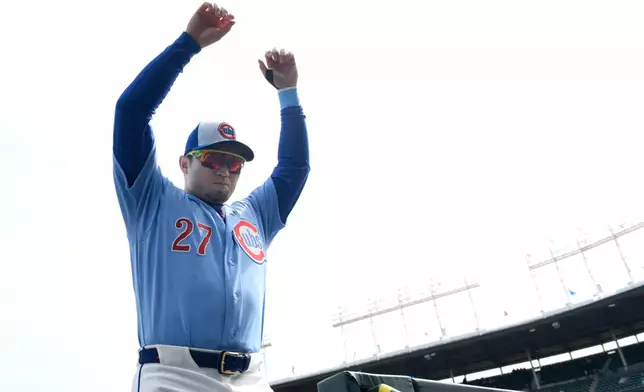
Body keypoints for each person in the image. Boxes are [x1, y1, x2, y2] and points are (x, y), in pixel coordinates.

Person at [112, 2, 310, 391]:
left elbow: (293, 169)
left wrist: (288, 92)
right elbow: (131, 112)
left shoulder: (254, 214)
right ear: (185, 163)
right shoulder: (151, 201)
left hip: (250, 377)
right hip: (174, 375)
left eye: (235, 164)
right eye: (215, 158)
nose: (225, 169)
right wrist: (188, 44)